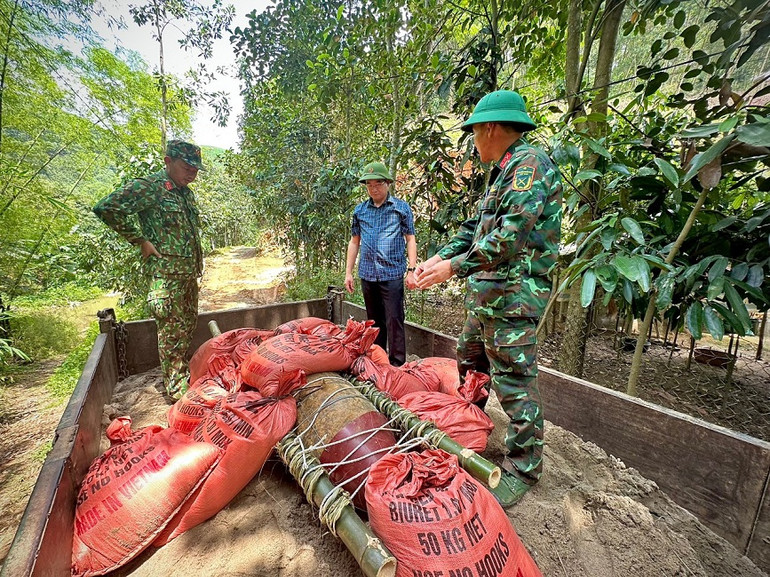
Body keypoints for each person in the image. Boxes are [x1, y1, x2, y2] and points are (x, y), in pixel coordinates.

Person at [415, 90, 562, 507]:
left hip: (513, 299)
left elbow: (508, 237)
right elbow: (474, 230)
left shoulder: (529, 166)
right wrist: (438, 258)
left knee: (515, 382)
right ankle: (470, 428)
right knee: (469, 361)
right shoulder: (503, 172)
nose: (473, 140)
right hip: (488, 297)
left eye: (475, 131)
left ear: (492, 127)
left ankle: (524, 468)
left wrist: (453, 267)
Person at [93, 140, 205, 400]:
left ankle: (180, 376)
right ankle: (178, 393)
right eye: (187, 167)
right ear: (168, 161)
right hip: (165, 277)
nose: (192, 173)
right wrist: (140, 240)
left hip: (187, 275)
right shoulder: (150, 187)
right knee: (172, 333)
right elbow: (106, 207)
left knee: (187, 327)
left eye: (195, 169)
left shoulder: (185, 193)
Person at [345, 161, 417, 366]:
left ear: (387, 183)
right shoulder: (360, 211)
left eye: (378, 183)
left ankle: (397, 365)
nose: (374, 188)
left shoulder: (400, 208)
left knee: (394, 320)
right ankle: (378, 361)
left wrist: (411, 270)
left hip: (392, 274)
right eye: (369, 185)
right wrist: (348, 272)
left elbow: (410, 239)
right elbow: (354, 242)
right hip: (368, 274)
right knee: (374, 321)